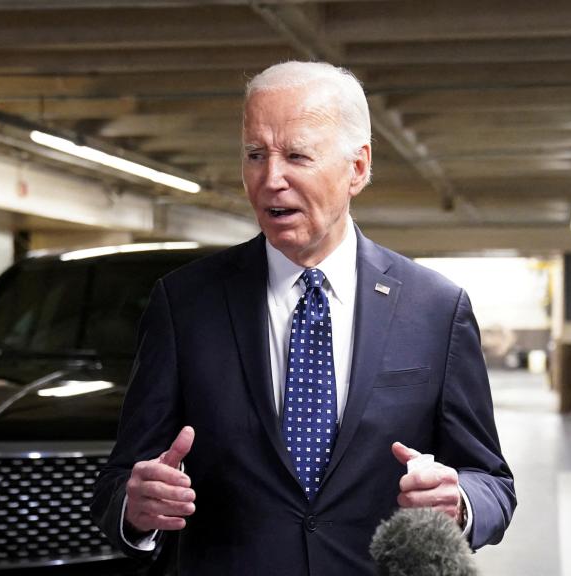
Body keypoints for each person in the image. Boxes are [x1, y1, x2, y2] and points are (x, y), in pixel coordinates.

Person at [91, 61, 515, 575]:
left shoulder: (435, 309)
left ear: (357, 168)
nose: (271, 179)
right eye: (254, 155)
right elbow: (120, 482)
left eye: (297, 156)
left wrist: (460, 500)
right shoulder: (185, 305)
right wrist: (137, 511)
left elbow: (492, 481)